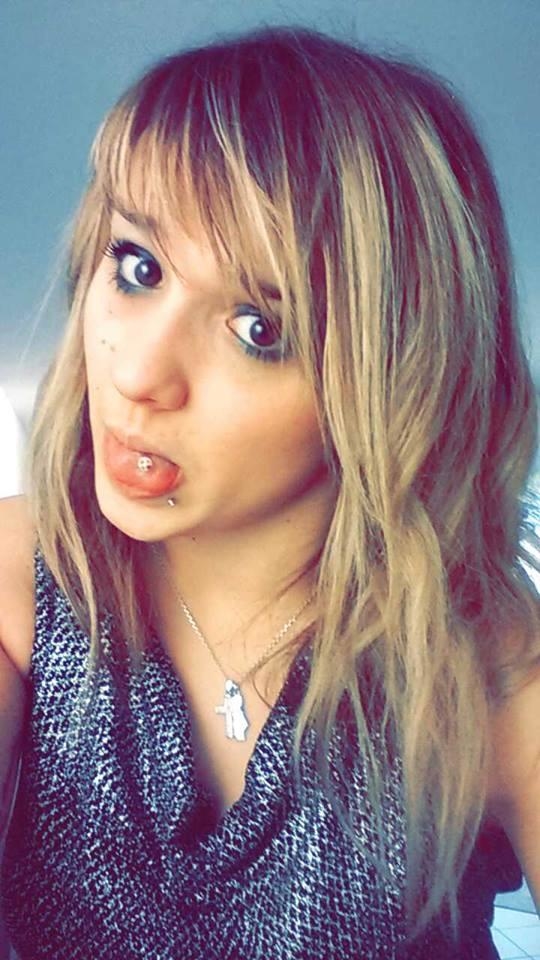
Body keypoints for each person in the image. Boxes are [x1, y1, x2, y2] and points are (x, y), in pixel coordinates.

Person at [0, 25, 538, 960]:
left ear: (390, 385)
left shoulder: (482, 669)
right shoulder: (27, 578)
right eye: (139, 268)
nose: (139, 375)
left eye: (259, 327)